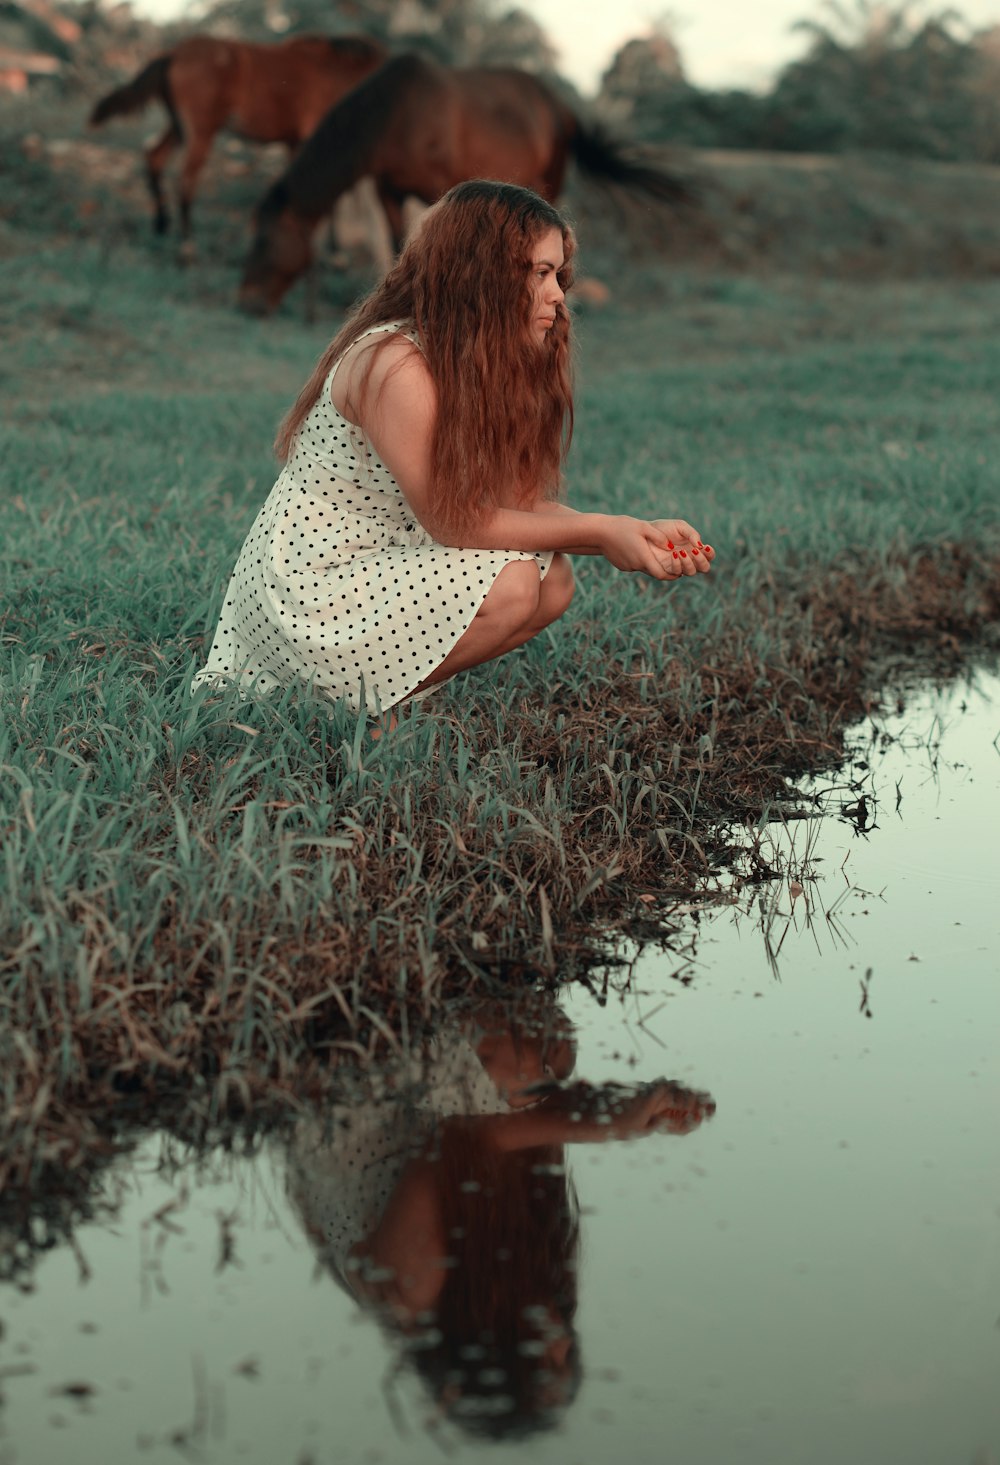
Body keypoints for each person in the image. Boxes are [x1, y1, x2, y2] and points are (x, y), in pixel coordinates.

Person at [192, 179, 714, 721]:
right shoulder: (396, 362)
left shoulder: (479, 360)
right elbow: (453, 523)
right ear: (480, 273)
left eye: (559, 274)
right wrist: (601, 534)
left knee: (552, 580)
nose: (559, 295)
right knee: (513, 585)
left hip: (380, 564)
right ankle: (359, 709)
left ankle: (367, 699)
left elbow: (520, 503)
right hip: (307, 588)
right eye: (539, 273)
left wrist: (631, 530)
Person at [283, 993, 715, 1440]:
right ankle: (451, 979)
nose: (564, 1340)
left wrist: (612, 1123)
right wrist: (643, 1109)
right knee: (551, 1054)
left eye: (546, 1363)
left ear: (490, 1360)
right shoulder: (517, 1271)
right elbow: (532, 1121)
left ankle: (403, 990)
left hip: (341, 1083)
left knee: (521, 1065)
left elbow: (461, 1142)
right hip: (414, 1109)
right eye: (569, 1356)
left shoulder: (407, 1295)